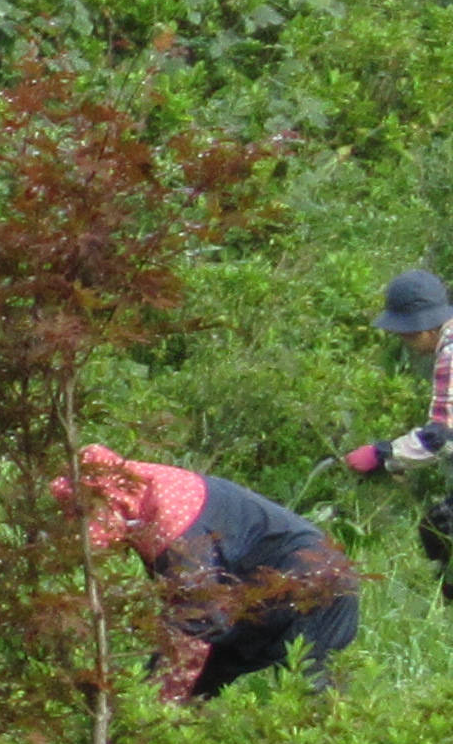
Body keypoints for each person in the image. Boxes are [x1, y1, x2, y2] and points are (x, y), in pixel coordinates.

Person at [72, 445, 359, 701]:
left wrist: (154, 707)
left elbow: (196, 624)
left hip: (317, 587)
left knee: (312, 702)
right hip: (254, 590)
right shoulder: (153, 491)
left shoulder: (176, 526)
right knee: (194, 684)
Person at [328, 264, 453, 613]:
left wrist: (382, 455)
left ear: (424, 326)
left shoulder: (450, 354)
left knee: (441, 530)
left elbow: (442, 436)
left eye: (405, 333)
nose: (403, 340)